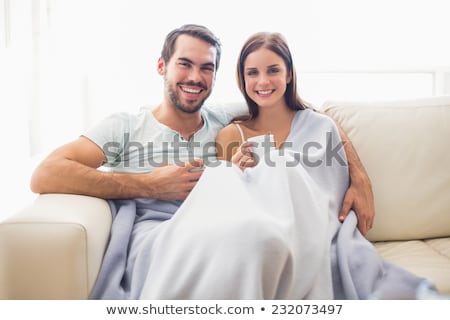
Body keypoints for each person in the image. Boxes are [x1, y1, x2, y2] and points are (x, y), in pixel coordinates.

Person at [29, 24, 385, 299]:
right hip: (161, 231)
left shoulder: (224, 119)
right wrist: (148, 185)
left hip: (225, 222)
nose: (195, 77)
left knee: (260, 235)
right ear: (161, 66)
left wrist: (359, 176)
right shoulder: (126, 125)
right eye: (185, 64)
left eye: (207, 67)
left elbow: (312, 114)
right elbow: (46, 174)